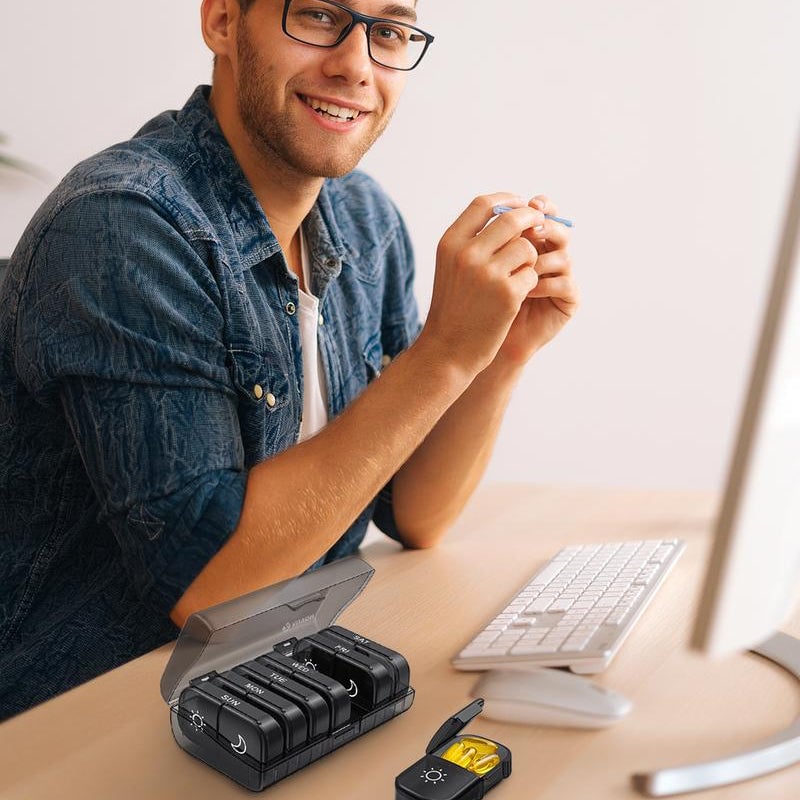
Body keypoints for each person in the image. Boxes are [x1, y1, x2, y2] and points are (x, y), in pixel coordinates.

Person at [0, 0, 578, 721]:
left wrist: (499, 353)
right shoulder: (124, 224)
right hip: (80, 720)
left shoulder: (364, 220)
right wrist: (446, 351)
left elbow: (416, 514)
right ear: (221, 22)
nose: (355, 65)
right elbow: (210, 591)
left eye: (389, 32)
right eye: (315, 15)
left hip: (269, 686)